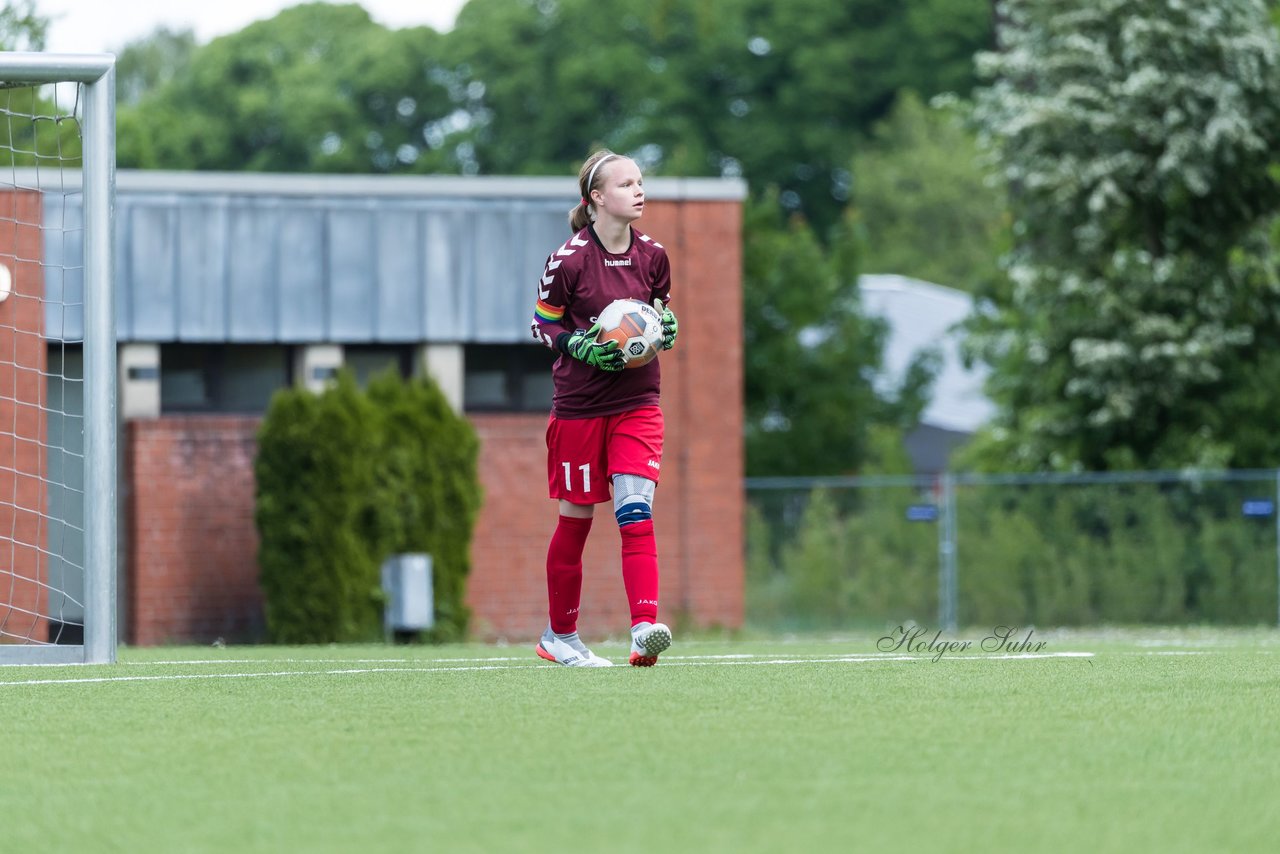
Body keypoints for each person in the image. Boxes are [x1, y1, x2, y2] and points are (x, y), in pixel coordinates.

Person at [528, 149, 679, 667]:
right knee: (577, 520)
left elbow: (656, 317)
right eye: (627, 184)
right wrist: (579, 346)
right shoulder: (567, 260)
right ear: (596, 198)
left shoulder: (654, 257)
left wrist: (667, 329)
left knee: (635, 509)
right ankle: (560, 637)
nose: (640, 190)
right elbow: (541, 325)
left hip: (638, 403)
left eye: (641, 182)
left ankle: (643, 628)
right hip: (580, 407)